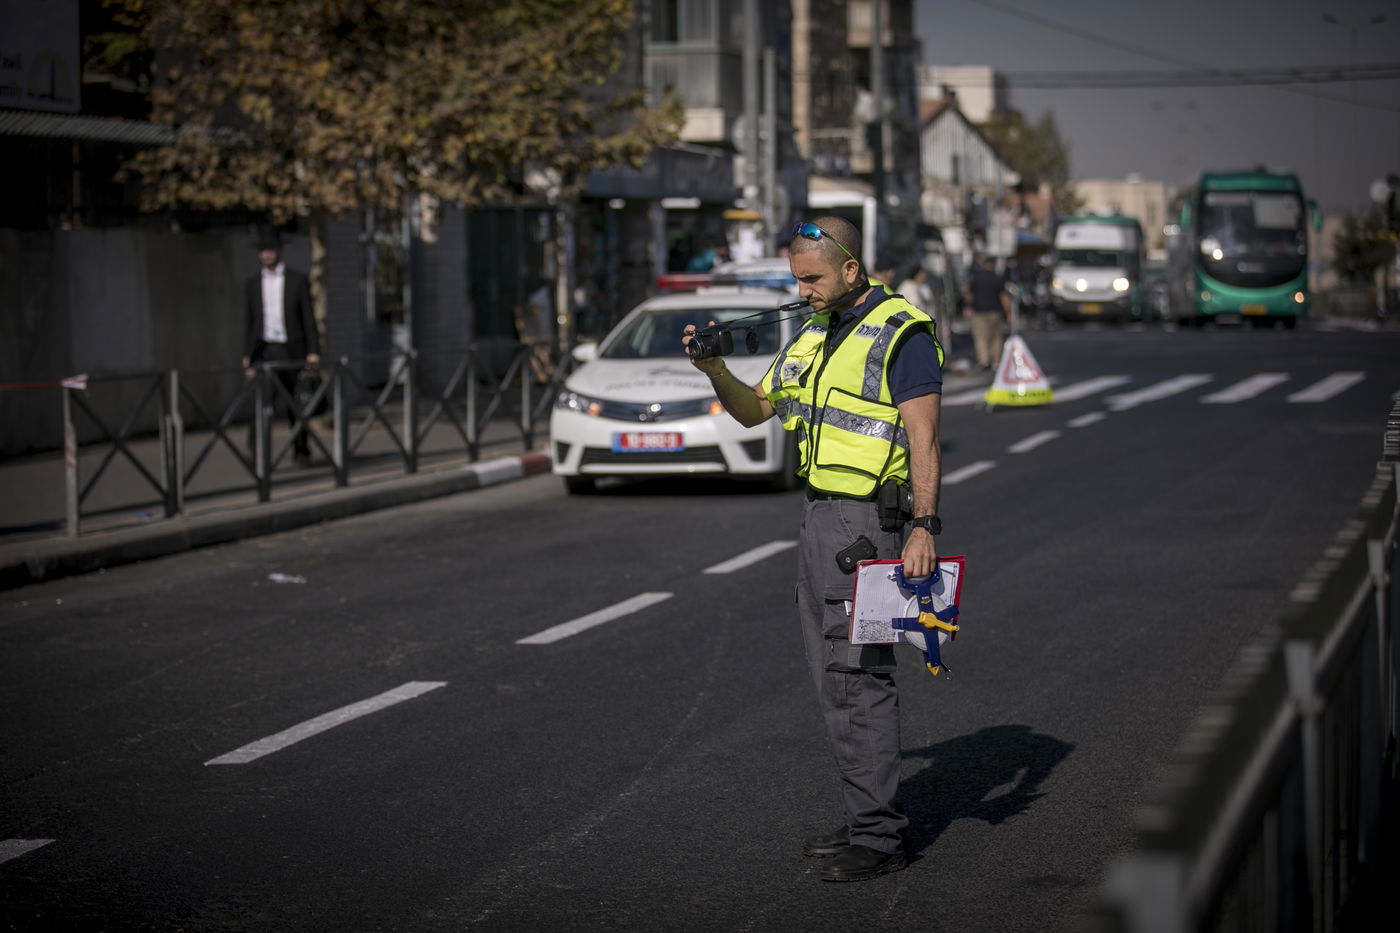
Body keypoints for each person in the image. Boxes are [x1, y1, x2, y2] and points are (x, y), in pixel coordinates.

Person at [683, 216, 944, 883]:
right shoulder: (810, 332)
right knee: (834, 679)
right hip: (820, 521)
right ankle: (869, 815)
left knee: (859, 678)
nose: (802, 290)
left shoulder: (901, 332)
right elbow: (752, 411)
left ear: (851, 268)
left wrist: (924, 524)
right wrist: (715, 368)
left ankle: (880, 837)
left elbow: (925, 441)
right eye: (794, 279)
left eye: (812, 278)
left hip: (867, 529)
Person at [243, 230, 319, 465]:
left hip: (292, 349)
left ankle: (301, 450)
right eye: (262, 252)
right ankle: (255, 452)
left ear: (279, 251)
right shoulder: (253, 284)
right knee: (262, 403)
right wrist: (246, 354)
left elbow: (308, 317)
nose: (266, 255)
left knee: (296, 404)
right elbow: (249, 320)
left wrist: (313, 350)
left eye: (270, 251)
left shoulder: (297, 280)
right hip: (265, 350)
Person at [963, 254, 1010, 371]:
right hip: (995, 311)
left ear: (984, 265)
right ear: (993, 265)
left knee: (980, 337)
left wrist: (967, 306)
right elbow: (1004, 297)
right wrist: (1009, 313)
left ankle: (984, 360)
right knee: (996, 337)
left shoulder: (976, 277)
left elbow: (969, 295)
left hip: (979, 312)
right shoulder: (997, 278)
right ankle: (996, 361)